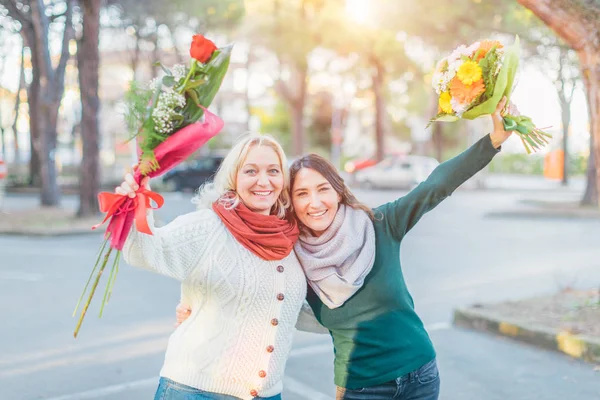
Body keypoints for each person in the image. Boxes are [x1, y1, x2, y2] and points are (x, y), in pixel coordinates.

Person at [177, 97, 516, 400]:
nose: (315, 202)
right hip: (362, 388)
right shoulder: (292, 257)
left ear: (338, 191)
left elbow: (436, 185)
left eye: (322, 189)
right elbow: (248, 282)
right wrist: (195, 301)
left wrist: (493, 141)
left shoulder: (381, 225)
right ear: (291, 202)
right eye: (302, 193)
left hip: (421, 376)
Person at [119, 133, 323, 400]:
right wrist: (136, 205)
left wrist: (360, 318)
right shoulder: (208, 226)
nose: (264, 181)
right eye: (251, 171)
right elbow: (144, 252)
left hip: (268, 394)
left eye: (273, 171)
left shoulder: (291, 237)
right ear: (233, 177)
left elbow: (291, 309)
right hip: (196, 392)